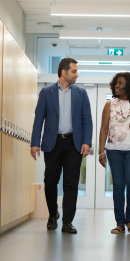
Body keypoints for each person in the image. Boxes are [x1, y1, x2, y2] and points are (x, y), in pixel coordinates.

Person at [30, 57, 93, 234]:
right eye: (74, 71)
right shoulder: (46, 92)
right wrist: (35, 142)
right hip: (53, 143)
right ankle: (52, 214)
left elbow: (87, 120)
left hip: (74, 143)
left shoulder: (81, 93)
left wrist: (87, 141)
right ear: (63, 72)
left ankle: (67, 222)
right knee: (50, 181)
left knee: (71, 184)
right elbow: (38, 120)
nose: (77, 75)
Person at [98, 72, 130, 234]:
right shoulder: (109, 104)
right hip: (113, 150)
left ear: (129, 85)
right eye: (115, 83)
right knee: (119, 186)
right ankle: (120, 223)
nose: (116, 86)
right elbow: (104, 129)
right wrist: (101, 151)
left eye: (120, 83)